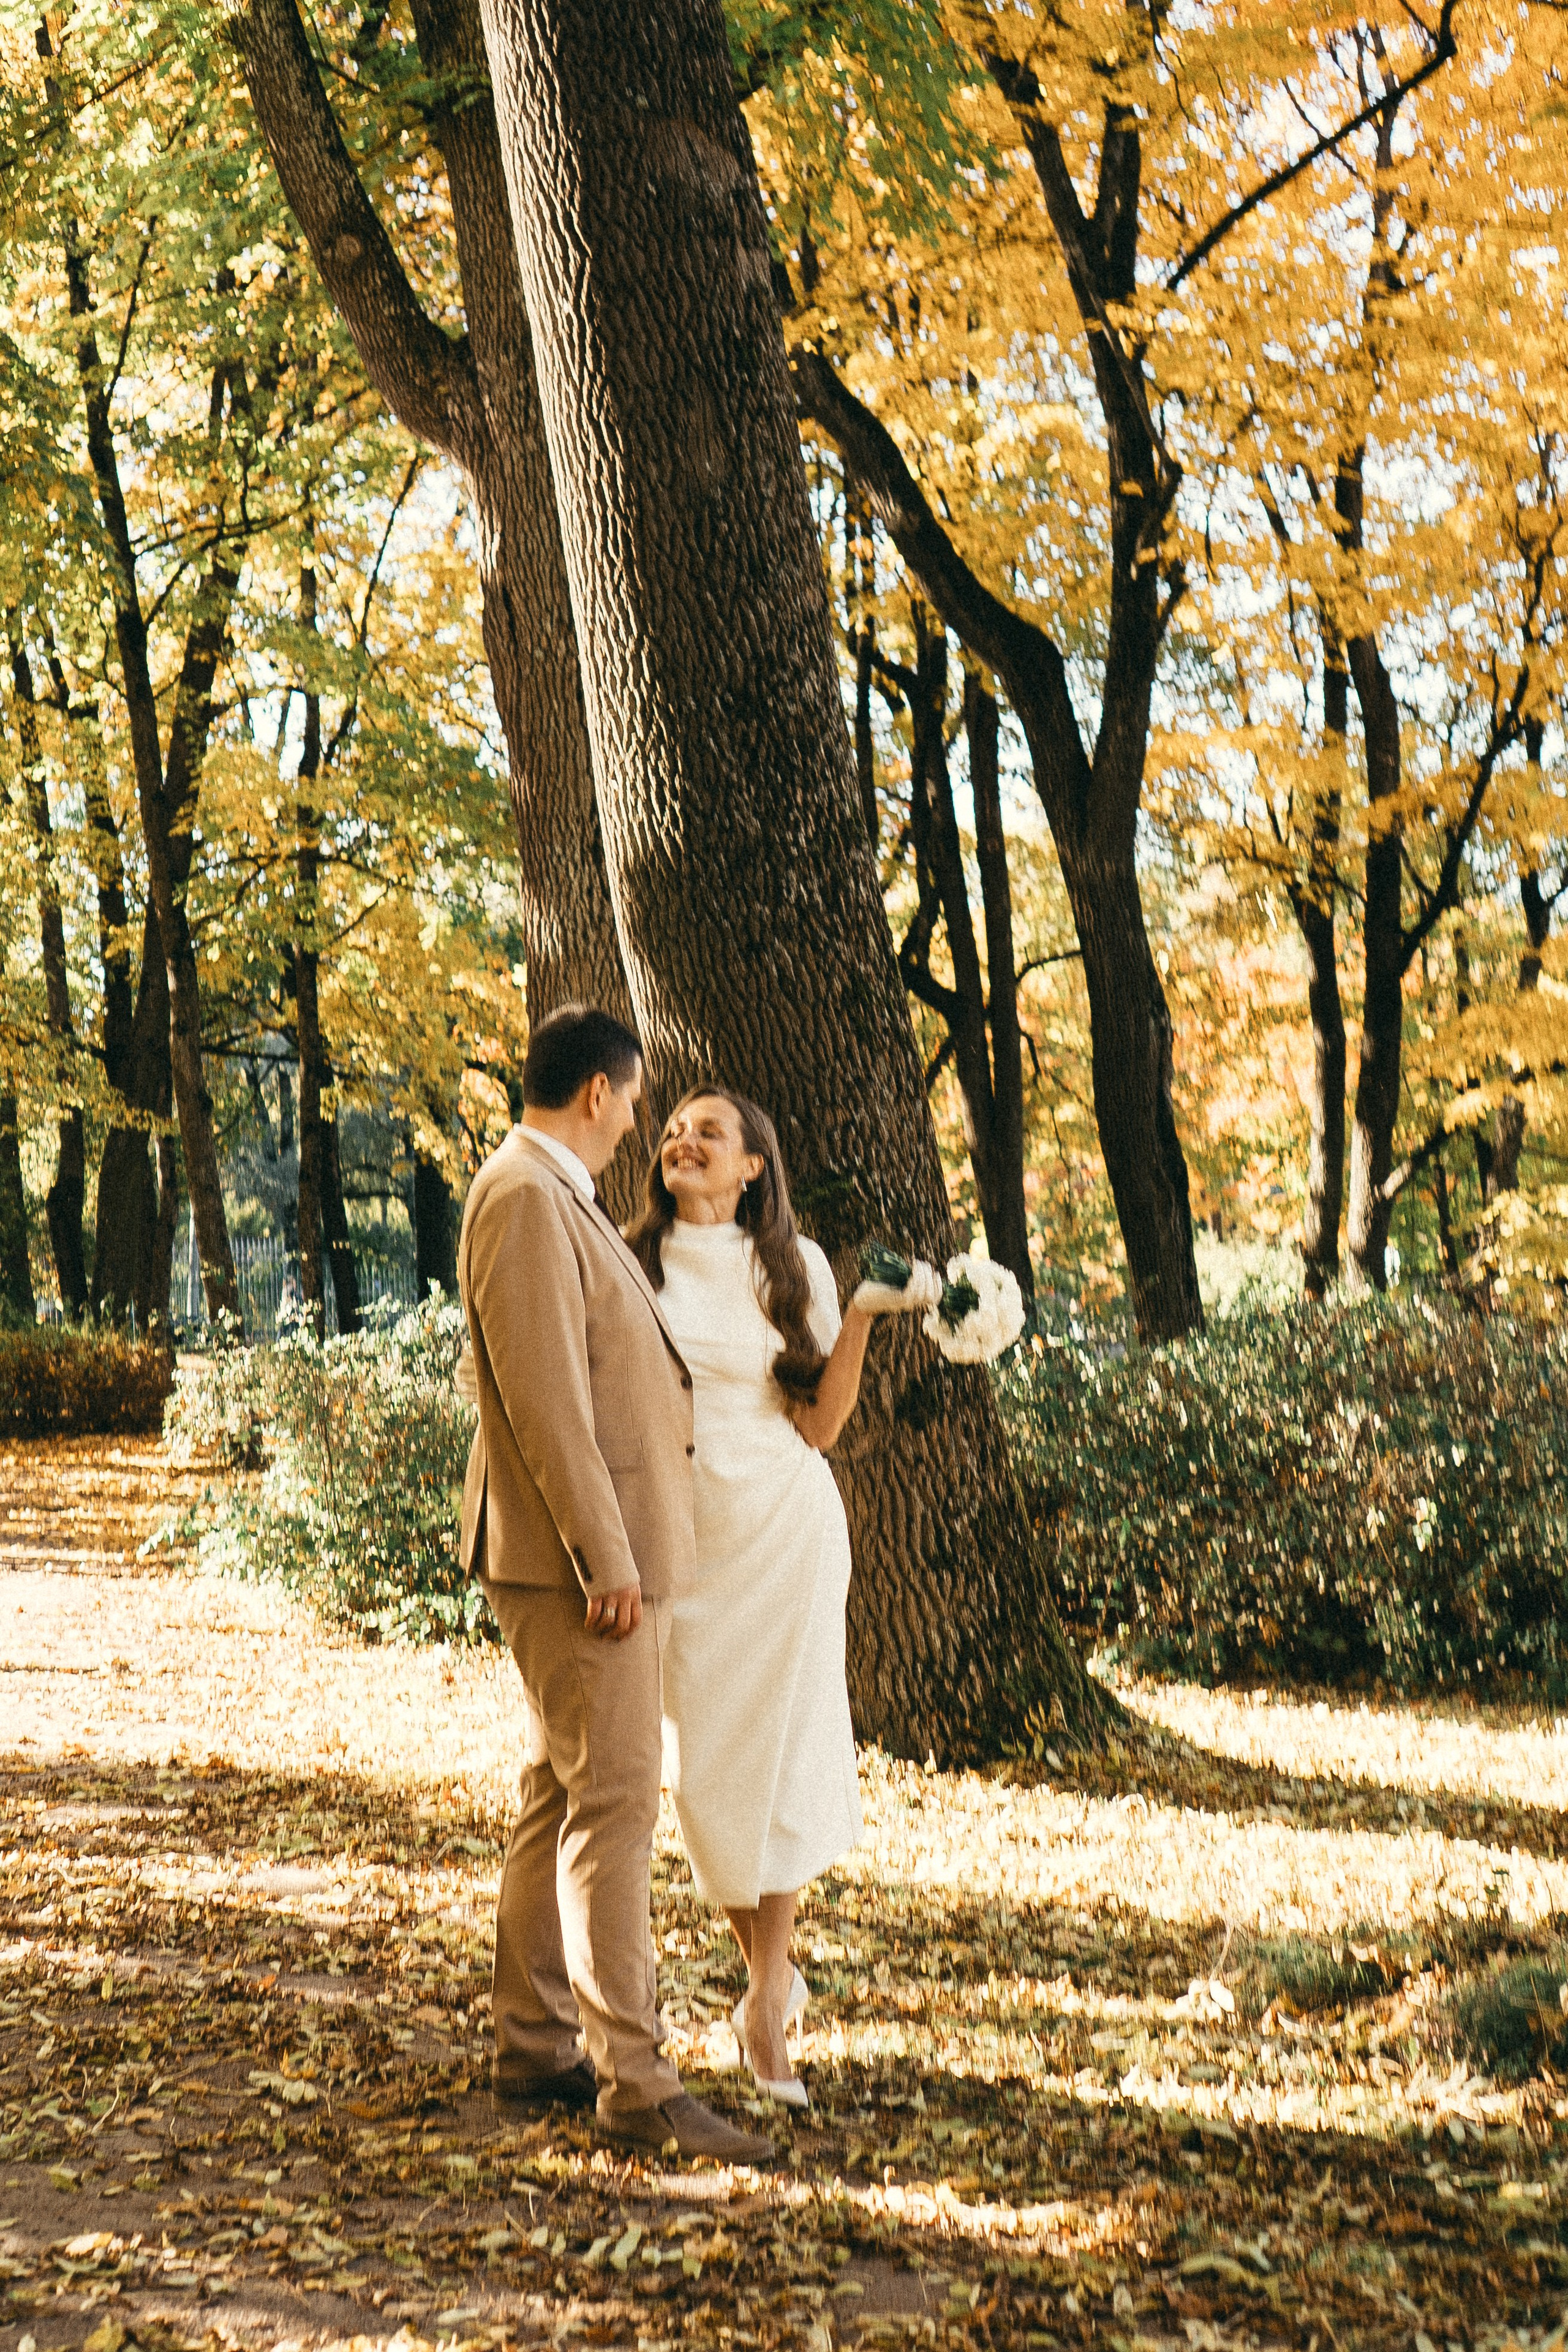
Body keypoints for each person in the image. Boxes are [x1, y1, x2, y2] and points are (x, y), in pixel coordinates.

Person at [457, 1007, 773, 2165]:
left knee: (560, 1794)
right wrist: (607, 1559)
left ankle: (534, 2044)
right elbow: (546, 1401)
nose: (642, 1118)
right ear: (598, 1090)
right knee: (618, 1808)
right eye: (637, 1098)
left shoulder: (550, 1196)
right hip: (576, 1568)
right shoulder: (528, 1198)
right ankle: (637, 2086)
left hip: (578, 1561)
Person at [627, 1088, 937, 2105]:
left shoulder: (789, 1266)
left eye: (708, 1132)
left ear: (754, 1165)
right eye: (673, 1128)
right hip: (686, 1540)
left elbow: (822, 1427)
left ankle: (765, 2002)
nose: (683, 1140)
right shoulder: (630, 1257)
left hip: (787, 1531)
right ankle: (768, 1985)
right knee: (706, 1772)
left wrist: (856, 1316)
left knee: (784, 1759)